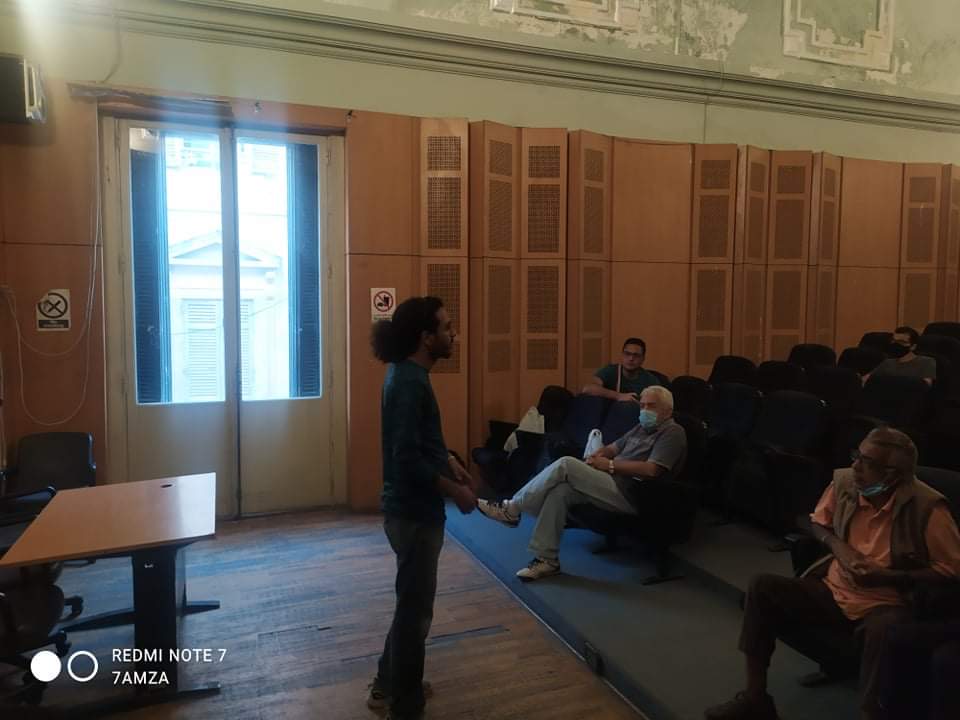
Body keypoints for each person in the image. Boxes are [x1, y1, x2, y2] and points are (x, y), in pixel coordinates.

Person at [704, 427, 960, 720]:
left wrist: (888, 577)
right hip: (834, 587)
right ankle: (755, 699)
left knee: (886, 631)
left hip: (885, 601)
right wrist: (840, 548)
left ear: (892, 475)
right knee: (762, 586)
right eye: (856, 455)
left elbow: (952, 570)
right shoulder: (846, 483)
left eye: (866, 462)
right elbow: (817, 522)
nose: (855, 467)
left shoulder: (929, 510)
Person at [368, 296, 479, 720]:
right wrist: (455, 490)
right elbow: (405, 458)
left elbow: (419, 439)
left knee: (410, 606)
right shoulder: (409, 382)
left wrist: (448, 459)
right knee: (415, 615)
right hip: (412, 513)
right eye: (447, 327)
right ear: (426, 337)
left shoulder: (409, 374)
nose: (454, 334)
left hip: (413, 511)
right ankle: (406, 704)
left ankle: (388, 684)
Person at [476, 386, 686, 581]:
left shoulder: (673, 432)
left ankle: (512, 509)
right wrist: (599, 454)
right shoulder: (641, 427)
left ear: (667, 410)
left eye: (651, 406)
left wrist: (609, 465)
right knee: (560, 491)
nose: (644, 410)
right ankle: (546, 560)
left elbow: (652, 470)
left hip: (636, 494)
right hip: (612, 483)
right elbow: (613, 448)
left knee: (566, 464)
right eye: (642, 405)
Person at [582, 337, 661, 402]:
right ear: (622, 355)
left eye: (636, 355)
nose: (631, 358)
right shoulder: (610, 371)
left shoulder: (650, 380)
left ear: (643, 359)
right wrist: (619, 396)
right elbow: (588, 389)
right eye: (627, 354)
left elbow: (661, 403)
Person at [867, 326, 936, 385]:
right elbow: (867, 379)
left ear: (913, 347)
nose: (896, 344)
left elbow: (925, 386)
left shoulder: (927, 362)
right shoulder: (887, 362)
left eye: (901, 342)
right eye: (894, 341)